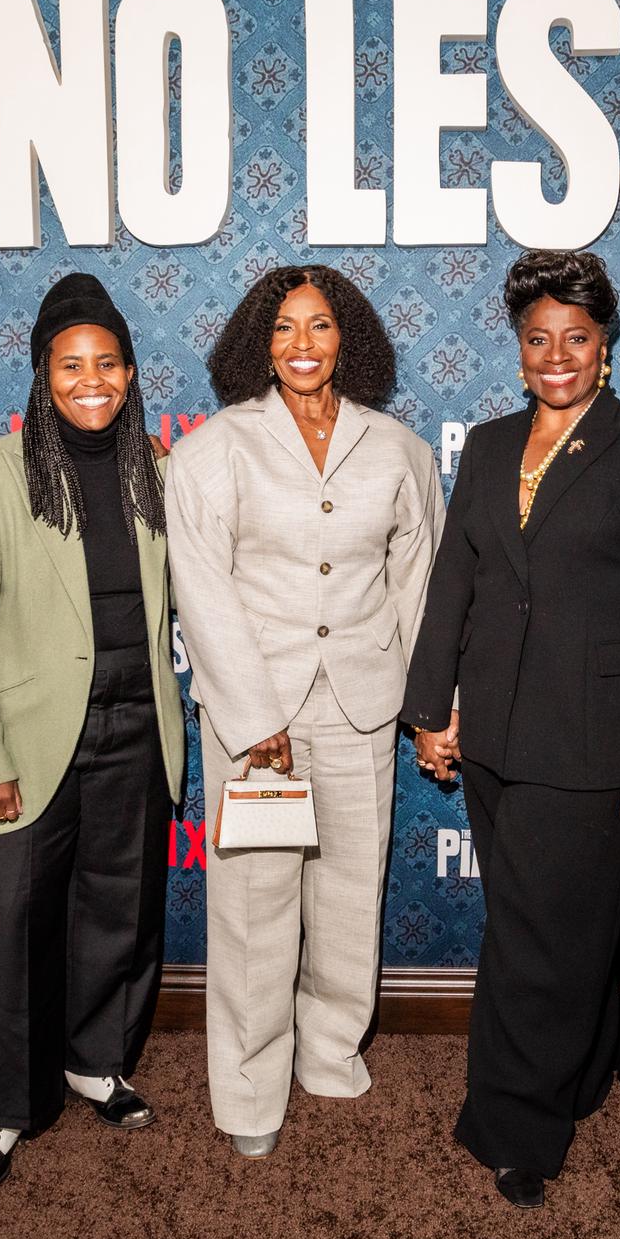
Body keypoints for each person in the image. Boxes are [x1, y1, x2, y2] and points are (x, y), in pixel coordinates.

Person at [401, 250, 620, 1211]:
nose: (558, 356)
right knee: (541, 928)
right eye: (540, 339)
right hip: (493, 730)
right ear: (519, 348)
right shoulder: (490, 445)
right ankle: (571, 1077)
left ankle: (517, 1124)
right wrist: (430, 705)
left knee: (552, 939)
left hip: (590, 736)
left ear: (605, 343)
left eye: (577, 337)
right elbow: (456, 578)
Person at [165, 265, 445, 1158]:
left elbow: (419, 582)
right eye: (283, 328)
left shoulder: (395, 446)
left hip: (360, 704)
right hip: (259, 719)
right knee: (253, 907)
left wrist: (423, 702)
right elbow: (200, 590)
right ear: (258, 338)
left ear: (347, 337)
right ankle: (248, 1090)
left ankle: (329, 1050)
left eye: (319, 326)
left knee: (349, 893)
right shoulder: (217, 446)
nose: (301, 345)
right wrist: (252, 716)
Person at [0, 275, 188, 1199]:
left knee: (119, 912)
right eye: (70, 364)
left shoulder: (155, 467)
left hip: (132, 726)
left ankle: (97, 1060)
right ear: (42, 374)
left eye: (107, 363)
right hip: (25, 743)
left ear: (129, 372)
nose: (91, 379)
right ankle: (8, 1104)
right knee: (10, 929)